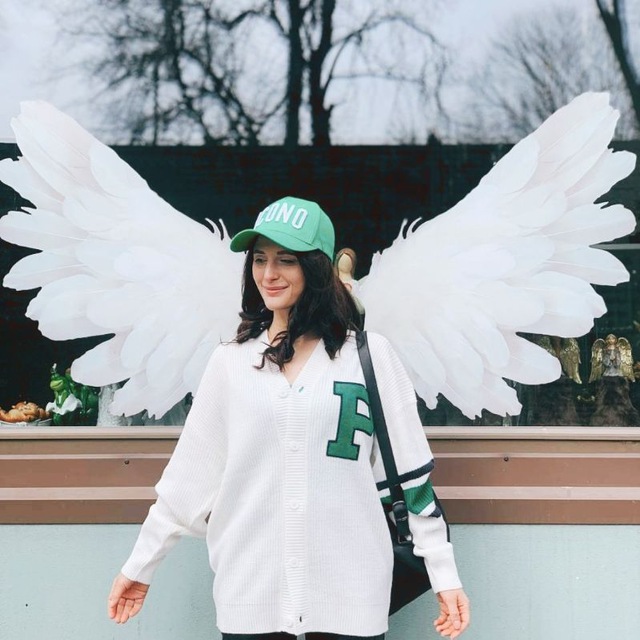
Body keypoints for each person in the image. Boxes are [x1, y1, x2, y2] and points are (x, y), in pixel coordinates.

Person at [107, 196, 470, 639]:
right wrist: (140, 566)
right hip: (251, 592)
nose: (268, 274)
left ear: (316, 268)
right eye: (259, 259)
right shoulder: (231, 362)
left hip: (350, 594)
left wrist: (444, 575)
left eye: (286, 260)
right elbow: (187, 481)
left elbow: (412, 480)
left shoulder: (369, 356)